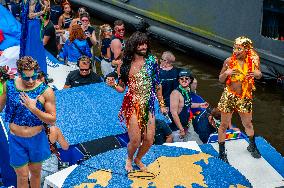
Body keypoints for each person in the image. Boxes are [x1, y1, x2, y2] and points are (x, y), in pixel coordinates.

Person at [106, 31, 167, 172]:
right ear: (134, 46)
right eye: (140, 44)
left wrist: (162, 105)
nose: (144, 47)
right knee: (135, 140)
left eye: (145, 44)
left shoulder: (152, 61)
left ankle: (138, 159)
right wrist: (113, 85)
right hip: (132, 105)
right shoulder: (125, 65)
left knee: (149, 139)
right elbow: (121, 87)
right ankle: (129, 158)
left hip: (148, 104)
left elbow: (157, 85)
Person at [0, 56, 56, 188]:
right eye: (26, 78)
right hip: (16, 139)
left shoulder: (46, 91)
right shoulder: (9, 85)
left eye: (33, 76)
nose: (31, 81)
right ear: (19, 74)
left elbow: (52, 118)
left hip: (36, 138)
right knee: (23, 176)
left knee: (36, 174)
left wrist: (33, 108)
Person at [217, 36, 262, 162]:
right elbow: (220, 79)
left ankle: (252, 146)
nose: (235, 51)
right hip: (229, 95)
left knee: (247, 123)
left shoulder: (253, 61)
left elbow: (259, 74)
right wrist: (226, 73)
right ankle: (222, 152)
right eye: (234, 48)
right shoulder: (228, 61)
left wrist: (257, 74)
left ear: (246, 50)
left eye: (239, 49)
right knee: (224, 125)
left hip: (245, 97)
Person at [169, 70, 208, 144]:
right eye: (181, 79)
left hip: (186, 125)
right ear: (178, 80)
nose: (184, 80)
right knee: (178, 148)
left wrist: (199, 105)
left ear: (190, 80)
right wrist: (181, 129)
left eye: (186, 78)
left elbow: (187, 104)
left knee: (187, 145)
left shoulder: (187, 90)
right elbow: (174, 113)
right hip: (177, 128)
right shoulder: (175, 93)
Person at [20, 0, 49, 74]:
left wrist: (44, 7)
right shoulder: (31, 1)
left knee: (36, 48)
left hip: (33, 25)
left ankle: (38, 70)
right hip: (32, 25)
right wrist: (42, 12)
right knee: (32, 48)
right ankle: (31, 70)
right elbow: (30, 15)